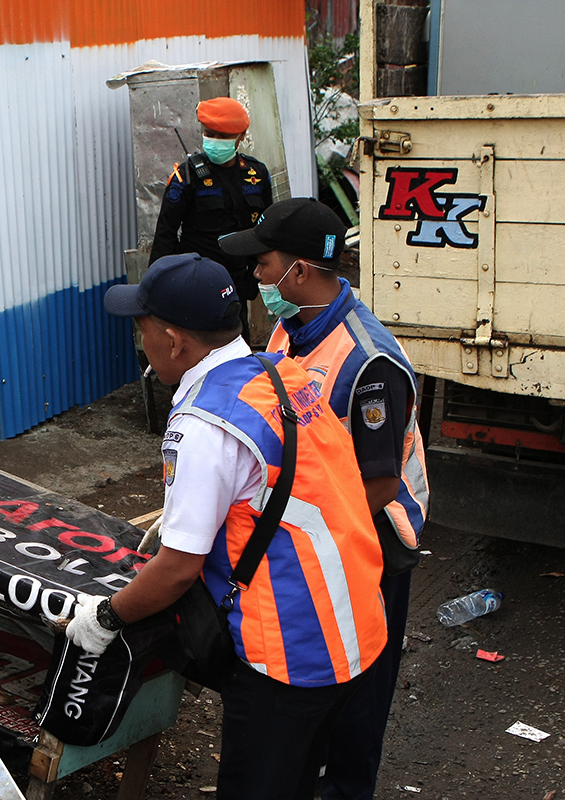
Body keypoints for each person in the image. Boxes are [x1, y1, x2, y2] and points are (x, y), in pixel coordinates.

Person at [67, 254, 388, 800]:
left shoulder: (202, 423)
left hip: (291, 652)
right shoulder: (279, 372)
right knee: (301, 779)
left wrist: (105, 616)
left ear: (172, 341)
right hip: (357, 623)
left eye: (141, 331)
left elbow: (177, 570)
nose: (139, 343)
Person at [220, 197, 430, 800]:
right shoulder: (296, 325)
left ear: (300, 271)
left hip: (373, 541)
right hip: (324, 534)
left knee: (358, 693)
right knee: (316, 679)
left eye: (264, 264)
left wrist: (289, 534)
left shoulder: (368, 361)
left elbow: (381, 483)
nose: (257, 276)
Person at [148, 97, 272, 338]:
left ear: (241, 137)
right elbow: (165, 233)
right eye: (210, 133)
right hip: (195, 281)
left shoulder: (256, 173)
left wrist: (258, 275)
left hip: (236, 282)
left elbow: (266, 230)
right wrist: (160, 286)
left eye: (223, 136)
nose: (215, 140)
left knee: (236, 344)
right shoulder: (186, 176)